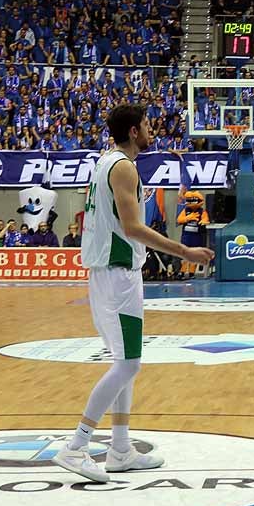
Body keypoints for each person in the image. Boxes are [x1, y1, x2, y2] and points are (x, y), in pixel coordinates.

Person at [52, 105, 214, 483]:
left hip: (110, 274)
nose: (150, 128)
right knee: (128, 365)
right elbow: (133, 227)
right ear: (132, 130)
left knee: (126, 362)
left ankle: (120, 449)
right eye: (145, 124)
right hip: (117, 274)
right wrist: (185, 251)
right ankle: (76, 446)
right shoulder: (122, 167)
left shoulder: (105, 162)